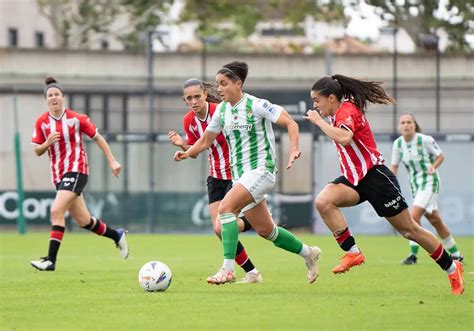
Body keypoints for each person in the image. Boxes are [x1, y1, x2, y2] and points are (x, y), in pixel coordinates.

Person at [304, 74, 464, 295]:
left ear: (331, 98)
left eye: (316, 100)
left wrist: (318, 121)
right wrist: (322, 120)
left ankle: (452, 267)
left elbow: (344, 138)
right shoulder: (335, 111)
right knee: (324, 201)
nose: (314, 105)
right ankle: (353, 252)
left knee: (410, 231)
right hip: (354, 179)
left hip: (375, 177)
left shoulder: (346, 110)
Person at [174, 61, 321, 285]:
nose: (219, 89)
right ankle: (308, 253)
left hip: (262, 171)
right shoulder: (222, 110)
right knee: (266, 231)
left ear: (238, 84)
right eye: (217, 84)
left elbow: (291, 123)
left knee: (225, 210)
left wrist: (293, 149)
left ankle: (228, 269)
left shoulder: (257, 105)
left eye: (223, 84)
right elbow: (205, 141)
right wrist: (187, 153)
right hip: (241, 177)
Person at [168, 78, 262, 283]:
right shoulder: (189, 121)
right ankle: (252, 272)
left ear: (204, 95)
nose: (193, 101)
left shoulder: (222, 111)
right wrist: (183, 146)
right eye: (189, 98)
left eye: (196, 96)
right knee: (219, 230)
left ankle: (253, 225)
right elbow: (196, 149)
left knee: (223, 226)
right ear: (185, 101)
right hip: (216, 176)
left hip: (236, 173)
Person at [30, 76, 129, 271]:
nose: (54, 98)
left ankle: (50, 260)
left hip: (77, 170)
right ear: (46, 100)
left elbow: (98, 138)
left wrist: (112, 160)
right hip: (58, 177)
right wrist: (47, 143)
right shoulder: (42, 122)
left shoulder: (76, 119)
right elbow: (37, 150)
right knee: (84, 221)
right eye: (50, 95)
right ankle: (117, 236)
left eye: (57, 94)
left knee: (56, 211)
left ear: (63, 97)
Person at [390, 114, 463, 265]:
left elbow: (440, 155)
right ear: (399, 127)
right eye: (403, 123)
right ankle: (456, 254)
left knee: (413, 218)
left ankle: (413, 256)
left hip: (430, 182)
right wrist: (389, 184)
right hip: (415, 185)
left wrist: (434, 166)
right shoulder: (397, 144)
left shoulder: (425, 140)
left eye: (409, 122)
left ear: (414, 125)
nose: (406, 125)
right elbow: (394, 167)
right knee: (436, 220)